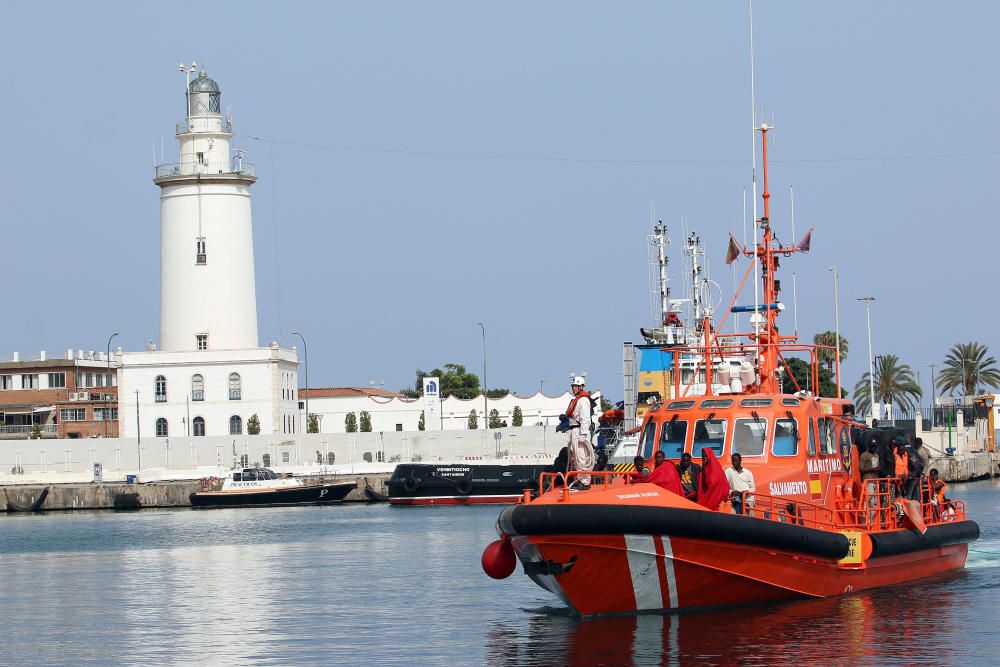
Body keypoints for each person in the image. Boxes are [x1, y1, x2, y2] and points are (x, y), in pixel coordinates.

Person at [564, 376, 594, 489]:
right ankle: (580, 478)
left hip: (580, 430)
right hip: (575, 430)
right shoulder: (576, 400)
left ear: (581, 387)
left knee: (582, 456)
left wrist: (583, 434)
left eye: (575, 386)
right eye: (573, 386)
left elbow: (585, 418)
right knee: (576, 456)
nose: (573, 388)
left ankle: (585, 481)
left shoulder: (583, 400)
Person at [859, 439, 881, 524]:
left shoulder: (876, 455)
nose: (873, 448)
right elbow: (861, 469)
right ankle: (866, 521)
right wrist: (872, 469)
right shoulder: (864, 455)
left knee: (875, 503)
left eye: (875, 446)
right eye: (872, 446)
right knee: (869, 502)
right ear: (869, 446)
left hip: (876, 481)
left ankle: (872, 522)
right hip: (868, 481)